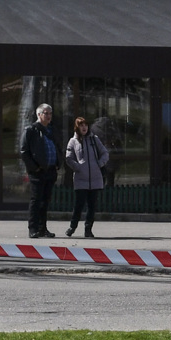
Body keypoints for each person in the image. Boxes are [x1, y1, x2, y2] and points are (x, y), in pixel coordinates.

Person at [18, 102, 63, 238]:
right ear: (39, 114)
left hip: (50, 171)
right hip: (37, 172)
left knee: (45, 201)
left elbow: (58, 147)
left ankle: (43, 228)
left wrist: (58, 164)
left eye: (50, 113)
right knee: (36, 200)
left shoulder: (52, 129)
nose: (49, 116)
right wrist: (35, 168)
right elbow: (24, 152)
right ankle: (33, 228)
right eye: (46, 113)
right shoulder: (31, 130)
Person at [65, 116, 109, 239]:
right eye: (81, 125)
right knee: (78, 206)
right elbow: (69, 158)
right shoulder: (73, 141)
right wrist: (78, 167)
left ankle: (88, 229)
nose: (84, 127)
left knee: (92, 206)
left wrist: (99, 164)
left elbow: (105, 153)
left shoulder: (94, 139)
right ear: (77, 127)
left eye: (85, 125)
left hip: (95, 179)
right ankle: (72, 227)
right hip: (81, 179)